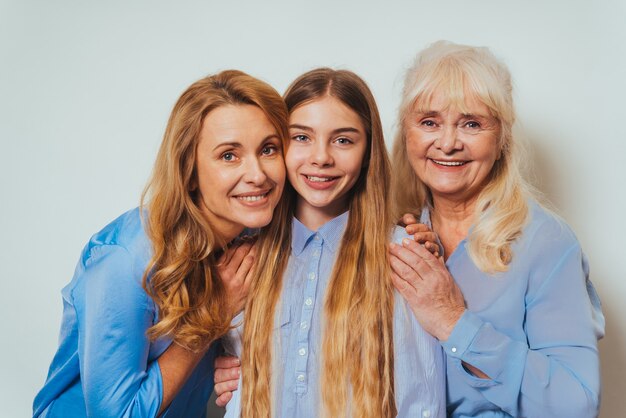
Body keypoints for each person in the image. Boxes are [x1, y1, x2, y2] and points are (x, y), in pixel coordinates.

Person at [33, 70, 289, 418]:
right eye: (229, 155)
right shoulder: (125, 262)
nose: (258, 174)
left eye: (269, 149)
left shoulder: (248, 240)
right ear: (189, 171)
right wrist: (213, 315)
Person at [388, 41, 605, 417]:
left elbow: (576, 402)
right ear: (406, 132)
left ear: (502, 137)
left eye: (471, 123)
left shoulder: (546, 243)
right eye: (429, 122)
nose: (448, 143)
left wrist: (454, 322)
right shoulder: (395, 234)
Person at [217, 68, 445, 418]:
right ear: (276, 146)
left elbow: (421, 402)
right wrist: (212, 373)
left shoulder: (402, 254)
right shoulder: (244, 257)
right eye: (302, 137)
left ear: (368, 151)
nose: (321, 157)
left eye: (343, 140)